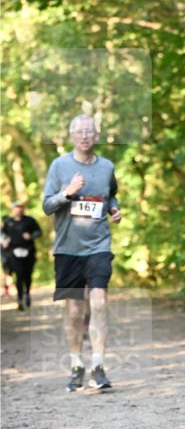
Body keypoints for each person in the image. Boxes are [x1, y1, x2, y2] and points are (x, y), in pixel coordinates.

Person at [42, 113, 122, 391]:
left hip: (99, 246)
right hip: (68, 250)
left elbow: (109, 193)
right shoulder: (59, 166)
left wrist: (114, 207)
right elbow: (47, 205)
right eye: (80, 132)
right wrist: (68, 192)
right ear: (72, 135)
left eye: (90, 131)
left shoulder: (107, 166)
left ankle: (98, 366)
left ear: (96, 136)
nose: (85, 136)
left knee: (99, 303)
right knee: (75, 310)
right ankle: (77, 364)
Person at [1, 202, 42, 310]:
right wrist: (4, 241)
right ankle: (20, 298)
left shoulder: (30, 221)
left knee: (27, 275)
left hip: (28, 252)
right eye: (16, 208)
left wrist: (31, 236)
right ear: (13, 210)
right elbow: (2, 234)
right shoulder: (8, 222)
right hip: (14, 252)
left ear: (23, 209)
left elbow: (38, 232)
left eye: (20, 207)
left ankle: (27, 293)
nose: (18, 210)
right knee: (19, 275)